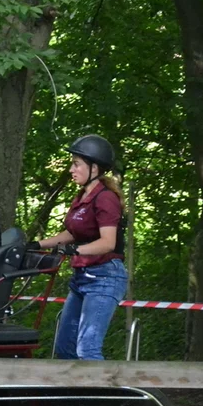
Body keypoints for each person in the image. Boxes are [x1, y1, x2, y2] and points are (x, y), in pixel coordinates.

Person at [27, 134, 128, 360]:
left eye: (76, 164)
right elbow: (72, 233)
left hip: (104, 278)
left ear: (94, 168)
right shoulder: (83, 195)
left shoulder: (105, 198)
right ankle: (71, 395)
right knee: (64, 349)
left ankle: (104, 395)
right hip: (82, 277)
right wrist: (36, 244)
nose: (71, 169)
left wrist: (74, 251)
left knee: (87, 350)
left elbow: (107, 243)